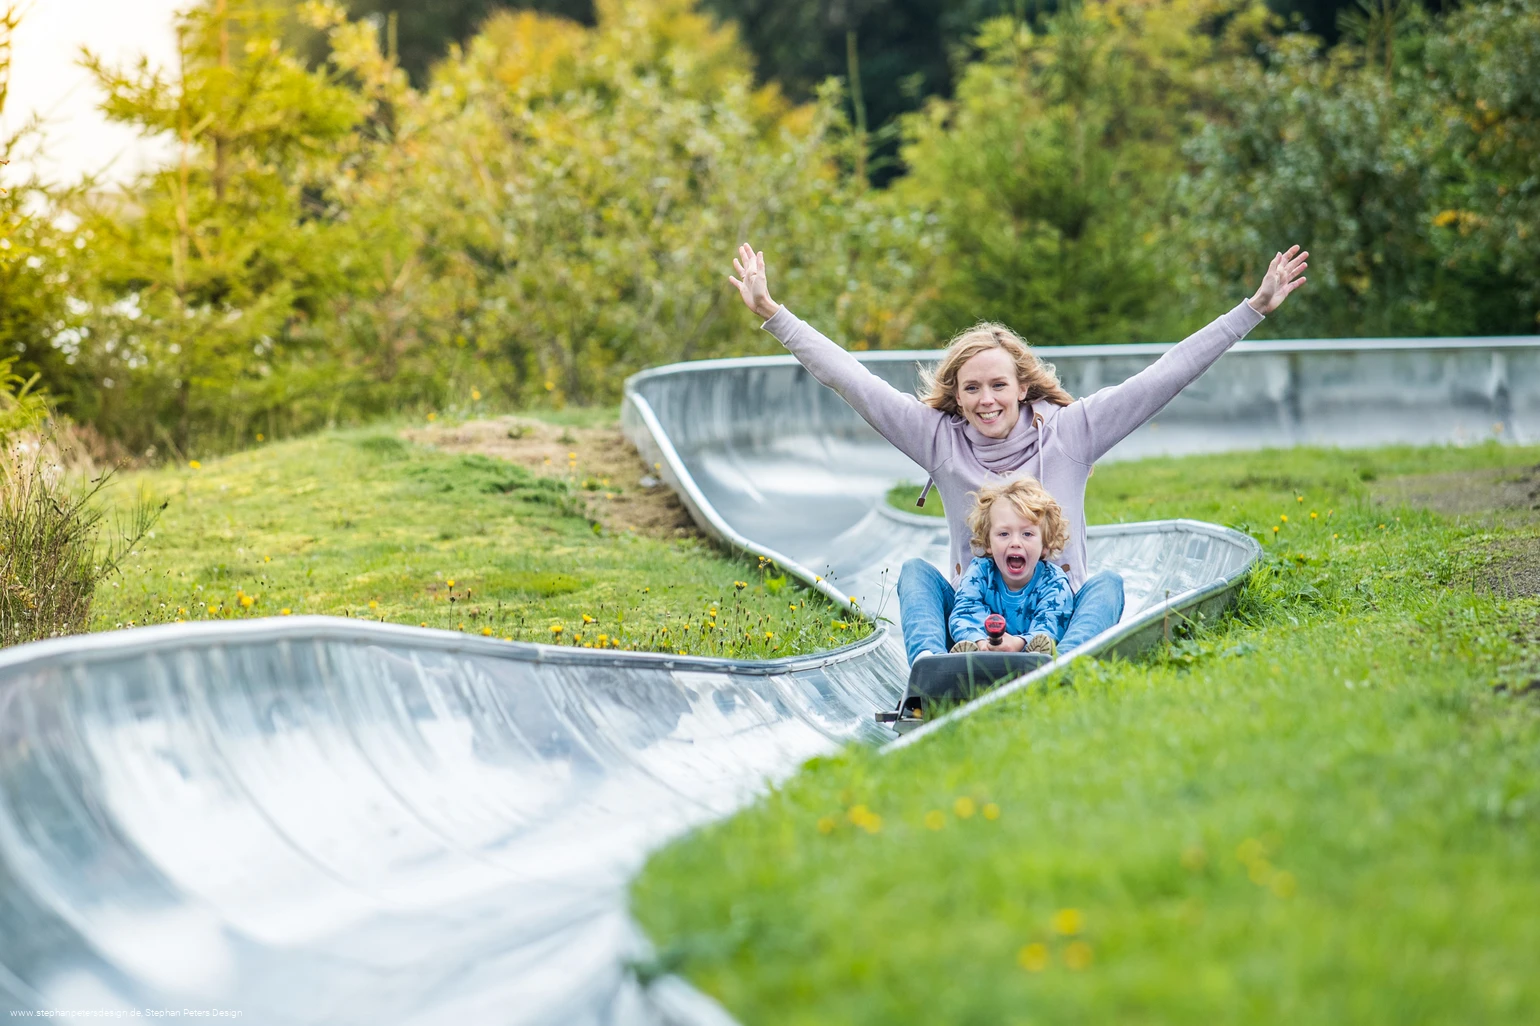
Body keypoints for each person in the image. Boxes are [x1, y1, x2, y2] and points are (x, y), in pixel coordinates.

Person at [727, 241, 1308, 663]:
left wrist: (1251, 309)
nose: (985, 401)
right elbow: (851, 379)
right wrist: (774, 315)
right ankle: (936, 671)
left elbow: (1163, 376)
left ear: (1023, 386)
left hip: (1060, 610)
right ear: (955, 394)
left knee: (1108, 587)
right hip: (978, 617)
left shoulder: (1072, 433)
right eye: (971, 388)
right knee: (914, 574)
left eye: (998, 385)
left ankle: (1063, 663)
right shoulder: (937, 439)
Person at [948, 477, 1074, 658]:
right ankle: (962, 657)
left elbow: (1052, 620)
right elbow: (965, 609)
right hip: (983, 647)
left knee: (1046, 636)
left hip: (1029, 651)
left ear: (1045, 545)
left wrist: (1018, 643)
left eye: (1027, 534)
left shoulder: (1053, 581)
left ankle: (1039, 658)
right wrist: (981, 642)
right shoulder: (981, 572)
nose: (1015, 542)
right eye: (1004, 533)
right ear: (988, 542)